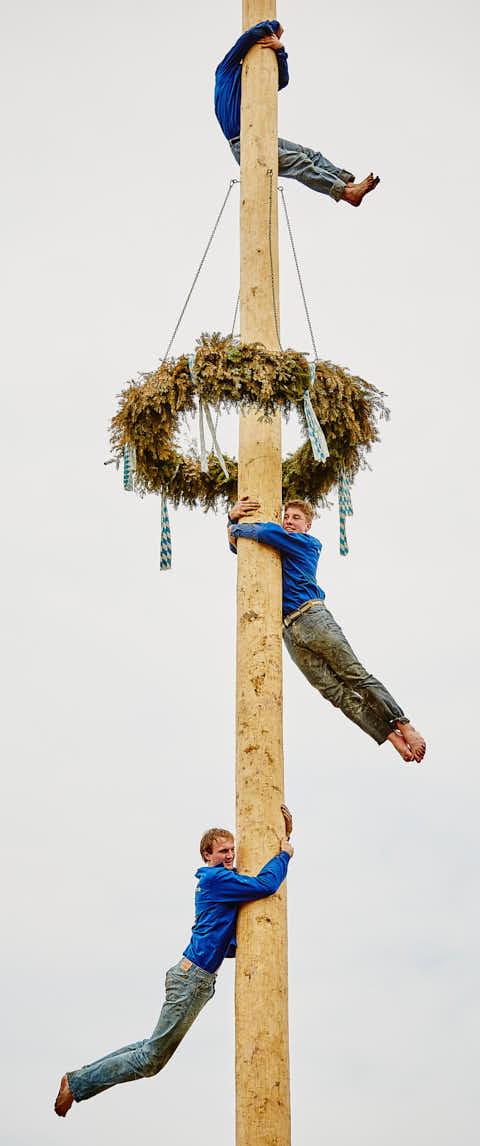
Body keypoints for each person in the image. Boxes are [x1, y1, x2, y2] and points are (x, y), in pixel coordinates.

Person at [54, 821, 293, 1117]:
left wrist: (283, 835)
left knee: (149, 1049)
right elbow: (265, 885)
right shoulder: (217, 879)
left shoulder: (223, 881)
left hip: (195, 979)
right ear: (207, 855)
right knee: (150, 1059)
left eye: (232, 849)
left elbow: (226, 940)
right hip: (192, 979)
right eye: (222, 851)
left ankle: (77, 1080)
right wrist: (284, 855)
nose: (230, 855)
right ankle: (76, 1084)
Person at [228, 497, 426, 763]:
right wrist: (232, 519)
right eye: (286, 517)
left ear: (307, 525)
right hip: (288, 631)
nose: (289, 521)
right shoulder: (276, 548)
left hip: (313, 617)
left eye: (296, 518)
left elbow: (262, 531)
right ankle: (390, 736)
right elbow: (242, 547)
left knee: (354, 676)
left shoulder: (307, 544)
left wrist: (233, 528)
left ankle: (404, 724)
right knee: (336, 694)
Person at [215, 20, 380, 207]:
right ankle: (345, 193)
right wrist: (275, 30)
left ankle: (348, 185)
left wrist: (279, 51)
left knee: (310, 155)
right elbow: (253, 34)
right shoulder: (226, 70)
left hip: (260, 136)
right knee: (299, 161)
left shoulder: (253, 78)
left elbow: (281, 80)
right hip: (243, 142)